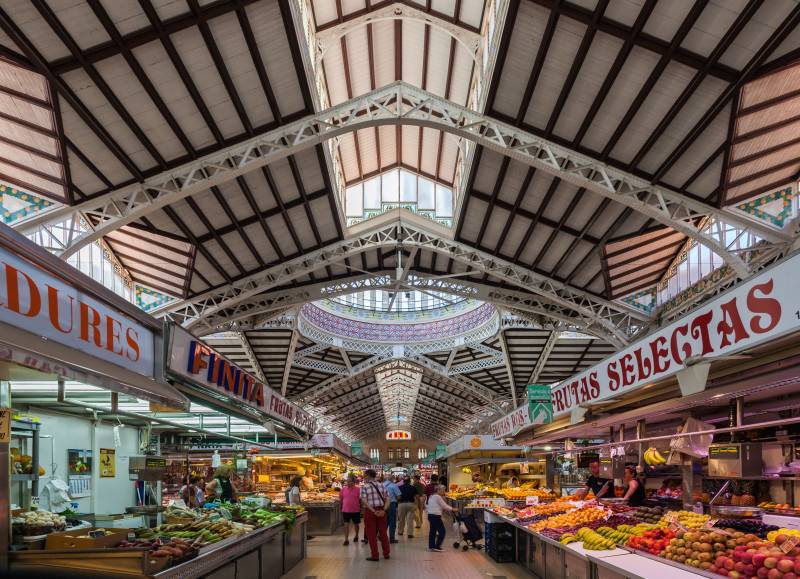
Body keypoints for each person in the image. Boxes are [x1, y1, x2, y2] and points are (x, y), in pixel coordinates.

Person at [360, 469, 390, 562]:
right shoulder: (382, 485)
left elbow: (364, 501)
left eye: (365, 475)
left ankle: (375, 555)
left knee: (371, 535)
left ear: (368, 476)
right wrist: (384, 510)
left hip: (370, 512)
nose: (364, 477)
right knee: (383, 533)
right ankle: (386, 553)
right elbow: (388, 499)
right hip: (381, 510)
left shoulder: (364, 487)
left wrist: (373, 511)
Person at [426, 484, 455, 552]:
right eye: (443, 490)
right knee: (442, 532)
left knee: (432, 532)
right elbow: (444, 506)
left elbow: (438, 506)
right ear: (438, 490)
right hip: (436, 516)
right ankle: (437, 546)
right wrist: (453, 509)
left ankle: (431, 546)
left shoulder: (431, 496)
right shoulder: (438, 497)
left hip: (430, 515)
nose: (444, 492)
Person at [340, 474, 361, 545]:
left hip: (356, 510)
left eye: (350, 481)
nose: (348, 483)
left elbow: (360, 500)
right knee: (346, 524)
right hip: (346, 510)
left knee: (356, 524)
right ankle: (346, 539)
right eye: (347, 481)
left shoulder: (358, 489)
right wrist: (341, 507)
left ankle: (356, 535)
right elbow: (341, 499)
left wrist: (361, 508)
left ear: (353, 482)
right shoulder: (343, 489)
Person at [383, 474, 401, 543]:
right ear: (392, 479)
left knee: (385, 521)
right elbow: (399, 496)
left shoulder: (382, 485)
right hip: (391, 504)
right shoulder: (394, 485)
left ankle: (382, 536)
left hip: (383, 504)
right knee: (392, 521)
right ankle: (392, 538)